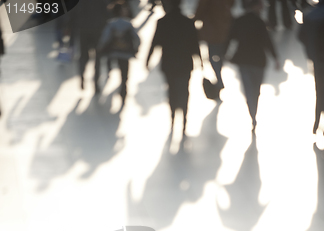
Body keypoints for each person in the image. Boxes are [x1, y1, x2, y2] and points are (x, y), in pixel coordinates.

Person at [146, 0, 202, 135]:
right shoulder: (188, 22)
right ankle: (184, 119)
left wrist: (148, 59)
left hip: (169, 62)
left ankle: (173, 117)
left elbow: (155, 42)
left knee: (172, 90)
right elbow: (194, 43)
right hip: (185, 63)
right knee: (184, 90)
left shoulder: (163, 22)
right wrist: (199, 60)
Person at [225, 0, 280, 132]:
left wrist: (223, 54)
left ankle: (252, 113)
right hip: (258, 61)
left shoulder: (239, 21)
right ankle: (254, 110)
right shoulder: (260, 22)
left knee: (248, 88)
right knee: (256, 88)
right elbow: (267, 41)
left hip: (243, 60)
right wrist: (275, 57)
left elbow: (230, 38)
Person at [298, 0, 324, 145]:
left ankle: (317, 121)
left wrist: (310, 53)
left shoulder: (310, 15)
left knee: (320, 91)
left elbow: (300, 36)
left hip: (317, 61)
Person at [98, 2, 140, 104]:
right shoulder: (128, 24)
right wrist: (137, 48)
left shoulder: (111, 24)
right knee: (124, 71)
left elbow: (105, 38)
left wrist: (100, 48)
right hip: (125, 52)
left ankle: (109, 69)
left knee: (112, 62)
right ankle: (123, 89)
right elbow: (137, 39)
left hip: (113, 51)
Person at [194, 0, 234, 92]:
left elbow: (200, 11)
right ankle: (219, 77)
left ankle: (219, 78)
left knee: (213, 57)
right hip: (224, 30)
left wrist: (194, 20)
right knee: (219, 55)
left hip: (211, 31)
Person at [77, 0, 108, 93]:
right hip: (97, 30)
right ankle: (96, 83)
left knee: (84, 56)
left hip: (84, 30)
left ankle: (82, 75)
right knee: (97, 59)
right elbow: (106, 13)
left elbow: (76, 12)